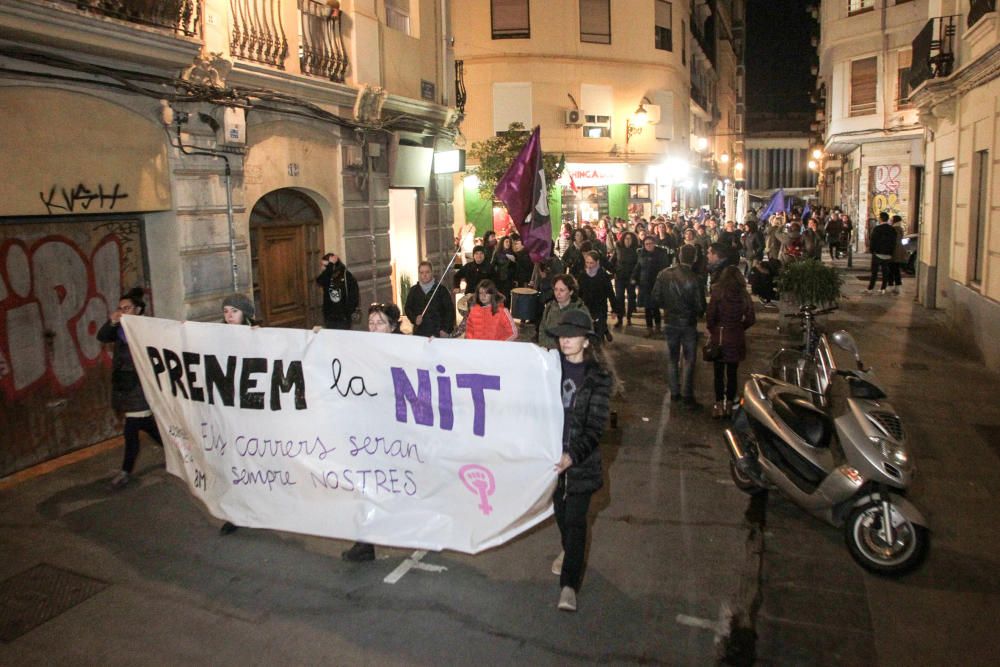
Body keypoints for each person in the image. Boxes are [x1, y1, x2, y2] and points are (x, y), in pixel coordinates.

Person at [545, 309, 612, 612]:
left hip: (580, 463)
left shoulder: (598, 377)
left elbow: (597, 427)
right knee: (560, 514)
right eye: (562, 336)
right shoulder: (547, 368)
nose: (565, 341)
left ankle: (569, 585)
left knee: (575, 520)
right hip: (549, 461)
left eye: (572, 336)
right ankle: (568, 549)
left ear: (586, 341)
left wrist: (572, 455)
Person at [341, 302, 404, 562]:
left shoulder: (405, 351)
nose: (374, 327)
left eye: (380, 323)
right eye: (371, 323)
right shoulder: (362, 350)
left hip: (396, 433)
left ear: (391, 328)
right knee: (366, 485)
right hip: (369, 432)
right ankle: (365, 542)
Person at [98, 287, 163, 490]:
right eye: (120, 308)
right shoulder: (118, 330)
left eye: (127, 308)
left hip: (140, 386)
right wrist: (112, 322)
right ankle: (179, 452)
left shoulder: (146, 328)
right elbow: (103, 336)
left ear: (138, 310)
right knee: (147, 425)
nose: (123, 311)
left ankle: (126, 471)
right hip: (125, 386)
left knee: (132, 429)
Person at [650, 244, 706, 410]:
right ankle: (687, 394)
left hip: (670, 320)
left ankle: (674, 392)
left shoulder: (664, 274)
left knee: (672, 358)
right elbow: (700, 305)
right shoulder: (695, 279)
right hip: (688, 322)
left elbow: (655, 297)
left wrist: (667, 307)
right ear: (694, 258)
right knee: (689, 360)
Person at [707, 267, 756, 418]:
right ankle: (729, 404)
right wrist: (740, 327)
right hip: (736, 336)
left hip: (720, 335)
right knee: (733, 372)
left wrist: (713, 328)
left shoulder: (717, 291)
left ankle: (718, 404)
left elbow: (710, 315)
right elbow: (751, 318)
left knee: (718, 372)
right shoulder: (743, 294)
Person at [537, 274, 591, 349]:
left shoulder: (581, 311)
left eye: (562, 290)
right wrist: (544, 346)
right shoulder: (549, 307)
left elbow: (586, 336)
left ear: (571, 291)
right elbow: (542, 329)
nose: (558, 293)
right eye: (556, 289)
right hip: (548, 353)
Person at [405, 260, 455, 337]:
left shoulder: (441, 290)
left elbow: (450, 311)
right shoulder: (413, 290)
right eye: (422, 273)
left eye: (427, 272)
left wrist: (446, 329)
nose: (424, 275)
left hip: (438, 332)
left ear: (432, 272)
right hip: (420, 332)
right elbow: (408, 308)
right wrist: (414, 319)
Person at [633, 235, 671, 336]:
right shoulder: (641, 254)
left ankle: (658, 327)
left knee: (655, 307)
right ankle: (649, 328)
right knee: (647, 307)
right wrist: (634, 278)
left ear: (654, 244)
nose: (648, 246)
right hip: (644, 284)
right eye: (646, 244)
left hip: (656, 283)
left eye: (650, 243)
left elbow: (665, 268)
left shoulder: (660, 254)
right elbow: (638, 266)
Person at [577, 251, 615, 344]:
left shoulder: (603, 275)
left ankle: (602, 337)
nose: (589, 265)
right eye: (587, 262)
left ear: (597, 262)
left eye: (591, 263)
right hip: (586, 307)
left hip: (600, 307)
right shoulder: (582, 275)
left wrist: (615, 309)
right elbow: (579, 292)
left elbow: (610, 293)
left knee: (599, 332)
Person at [316, 252, 359, 329]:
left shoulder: (346, 276)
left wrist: (349, 312)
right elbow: (320, 281)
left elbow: (354, 295)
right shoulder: (327, 276)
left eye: (325, 265)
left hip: (343, 317)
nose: (323, 268)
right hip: (329, 316)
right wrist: (330, 267)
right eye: (322, 265)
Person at [611, 232, 639, 328]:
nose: (628, 240)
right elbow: (612, 260)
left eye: (630, 239)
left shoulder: (637, 250)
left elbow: (638, 265)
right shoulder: (619, 248)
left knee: (631, 297)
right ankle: (620, 318)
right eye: (626, 238)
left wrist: (636, 277)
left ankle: (629, 316)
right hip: (620, 277)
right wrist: (614, 271)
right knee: (619, 297)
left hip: (631, 277)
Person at [864, 212, 898, 295]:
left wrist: (872, 251)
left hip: (877, 253)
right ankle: (883, 288)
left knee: (874, 272)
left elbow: (873, 241)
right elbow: (894, 242)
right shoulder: (892, 229)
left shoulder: (877, 229)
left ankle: (870, 288)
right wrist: (891, 252)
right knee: (885, 272)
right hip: (888, 254)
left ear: (881, 219)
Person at [890, 214, 907, 294]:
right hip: (899, 252)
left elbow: (894, 241)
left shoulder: (894, 229)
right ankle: (897, 285)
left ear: (894, 221)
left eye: (891, 219)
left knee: (892, 269)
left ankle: (893, 285)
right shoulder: (900, 228)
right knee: (896, 269)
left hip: (894, 252)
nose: (890, 220)